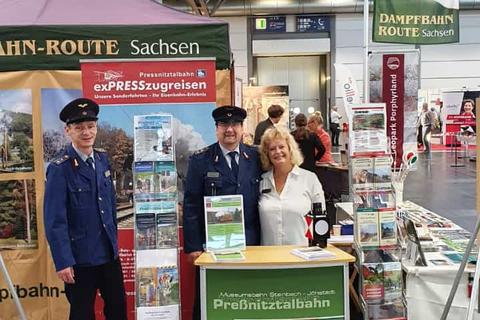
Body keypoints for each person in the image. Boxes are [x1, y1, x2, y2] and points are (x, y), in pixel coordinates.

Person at [43, 98, 127, 320]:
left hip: (109, 254)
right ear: (68, 131)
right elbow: (55, 220)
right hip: (80, 259)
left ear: (96, 128)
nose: (86, 132)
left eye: (90, 126)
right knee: (82, 314)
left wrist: (115, 244)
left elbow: (109, 206)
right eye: (79, 128)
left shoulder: (102, 159)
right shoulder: (59, 169)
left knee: (118, 309)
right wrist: (63, 261)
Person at [183, 105, 262, 319]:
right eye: (224, 124)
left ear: (242, 127)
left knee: (248, 299)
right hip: (212, 245)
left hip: (250, 243)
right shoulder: (201, 160)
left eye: (235, 124)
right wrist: (192, 247)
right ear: (216, 128)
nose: (230, 129)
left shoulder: (255, 157)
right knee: (211, 299)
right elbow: (191, 204)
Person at [258, 126, 326, 245]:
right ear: (267, 154)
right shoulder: (261, 181)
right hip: (268, 258)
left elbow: (320, 222)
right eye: (272, 149)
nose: (278, 152)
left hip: (301, 257)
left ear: (290, 149)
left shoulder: (310, 179)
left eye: (282, 147)